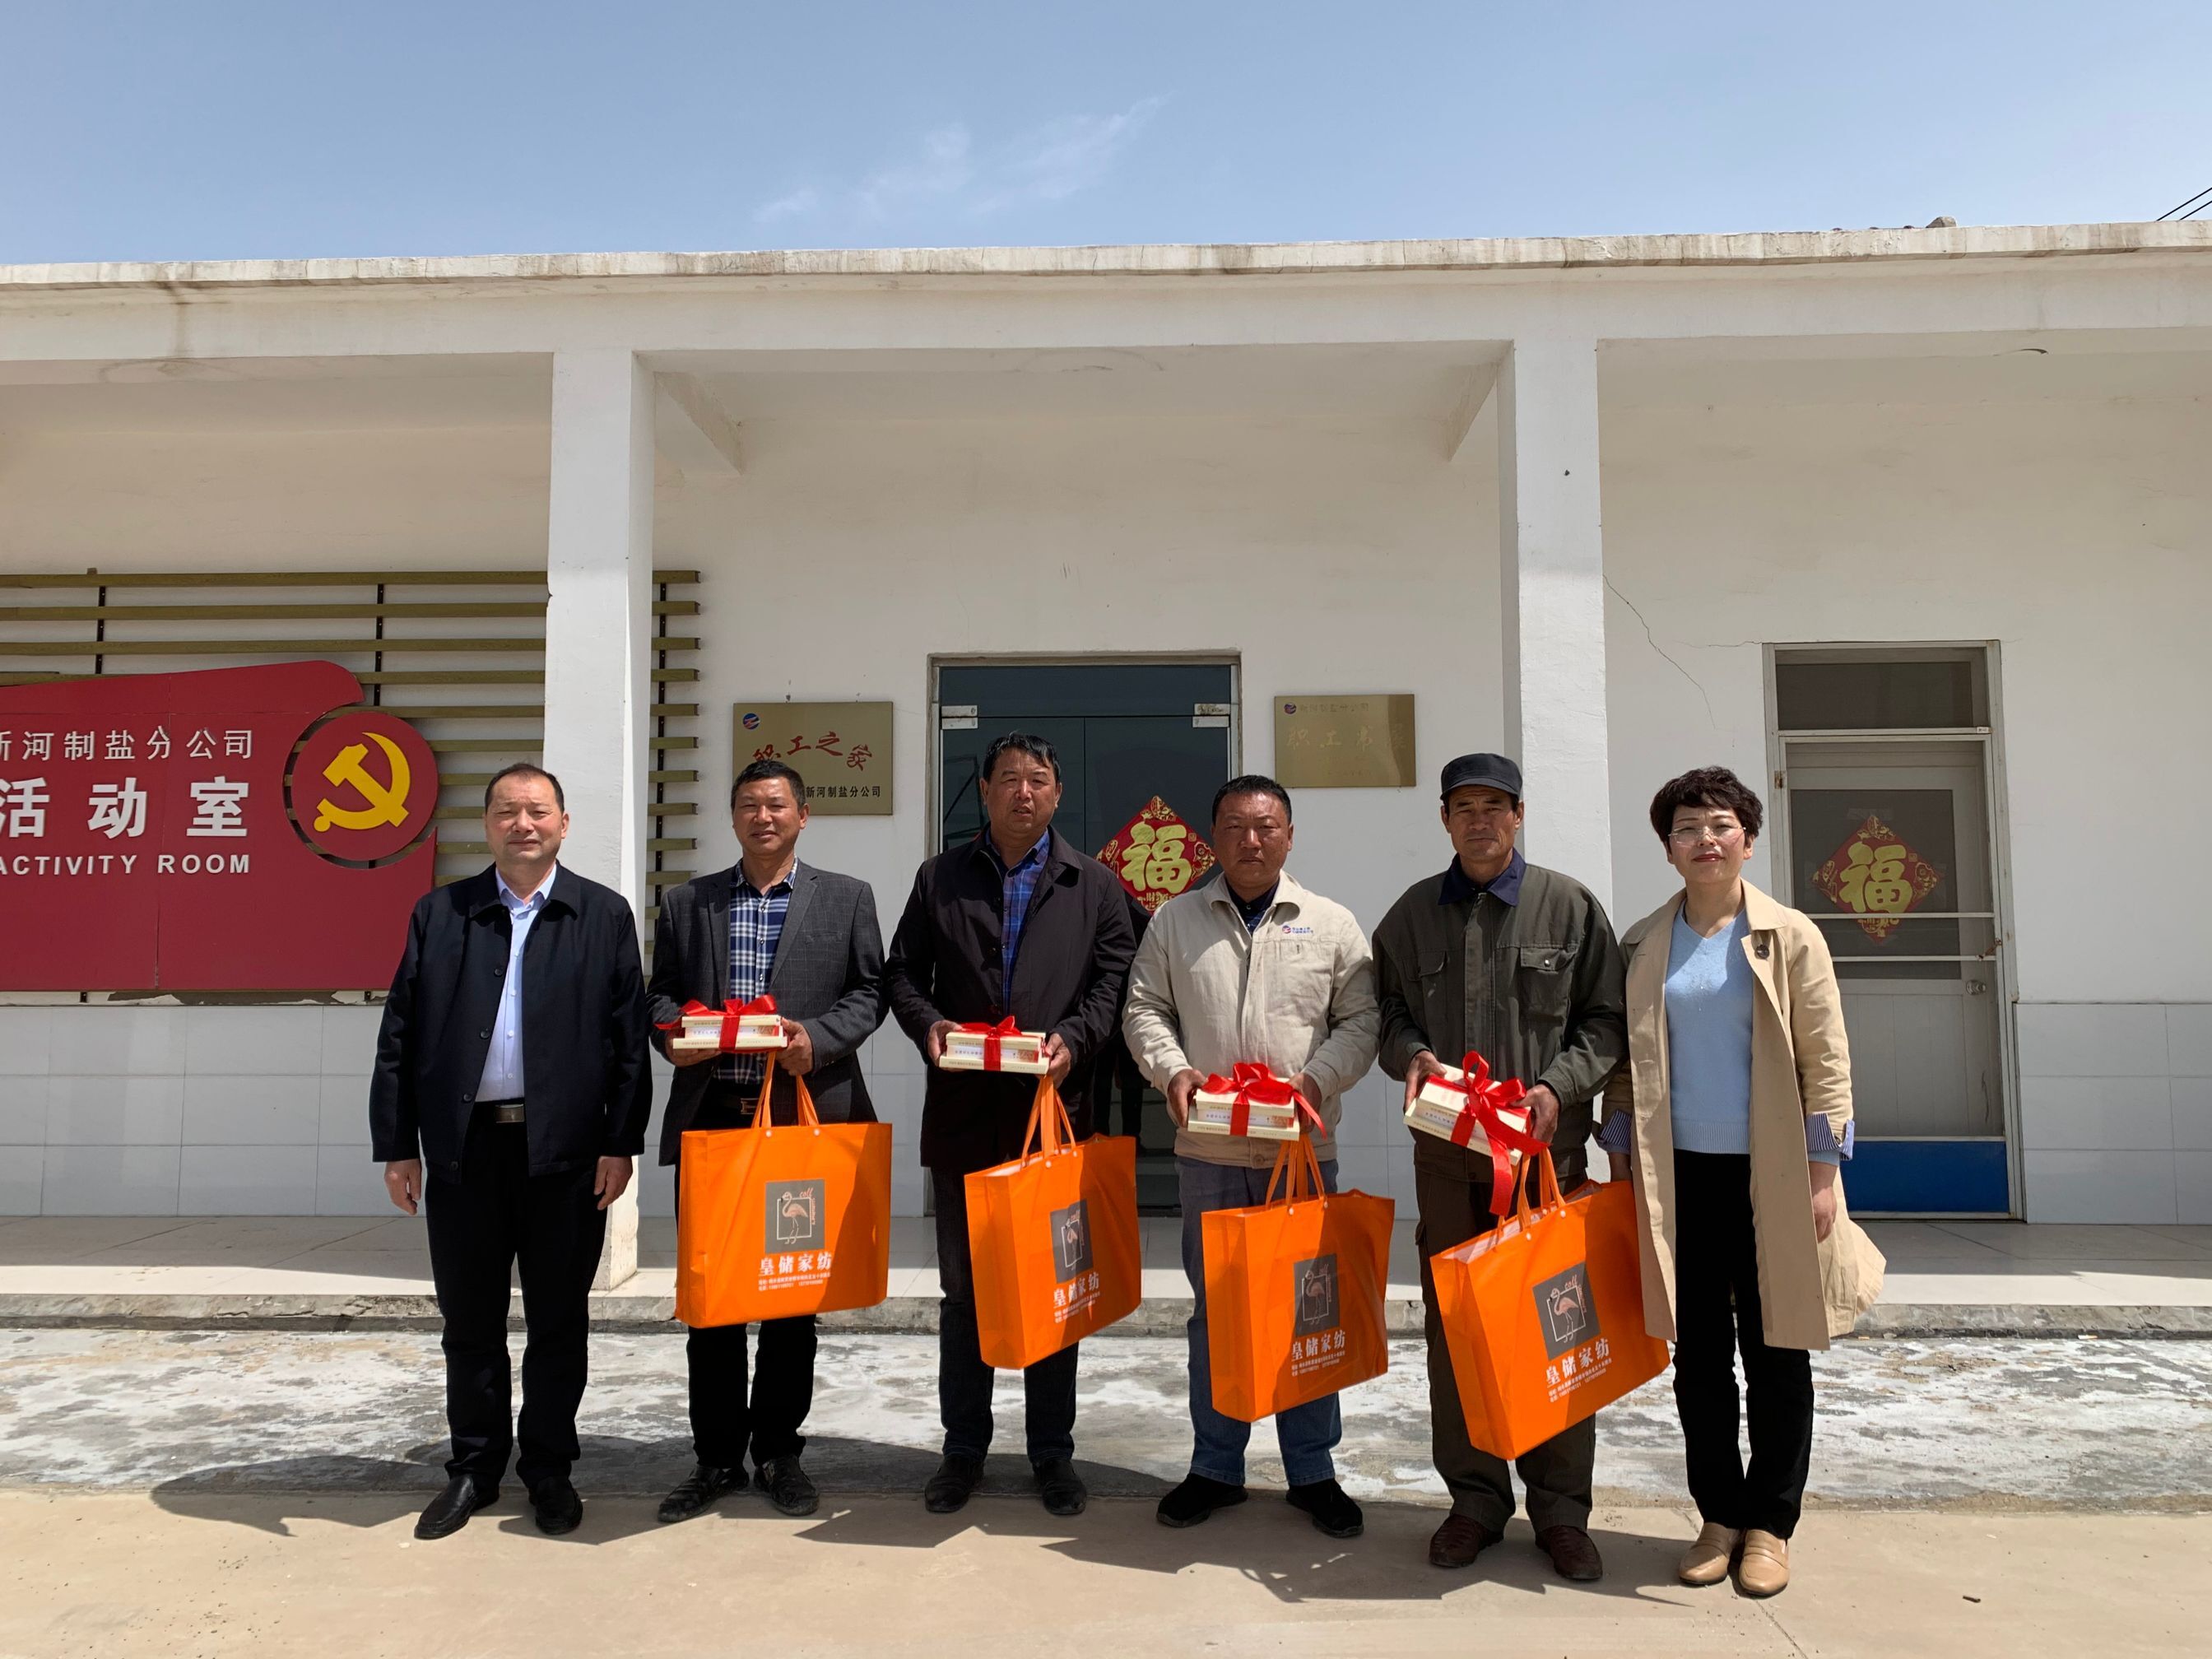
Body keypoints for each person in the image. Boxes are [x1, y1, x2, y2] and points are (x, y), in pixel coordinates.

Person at [1597, 766, 1884, 1598]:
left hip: (1777, 1176)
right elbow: (1625, 1069)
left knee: (1778, 1349)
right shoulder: (1645, 942)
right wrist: (1619, 1160)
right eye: (1688, 828)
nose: (1706, 840)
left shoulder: (1789, 936)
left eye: (1721, 825)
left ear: (1747, 840)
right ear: (1668, 848)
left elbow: (1828, 1062)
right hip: (1679, 1178)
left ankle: (1770, 1526)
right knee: (1698, 1360)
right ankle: (1718, 1517)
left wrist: (1823, 1173)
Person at [369, 762, 652, 1541]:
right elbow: (400, 1034)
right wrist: (399, 1146)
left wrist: (620, 1143)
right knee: (470, 1320)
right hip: (465, 1152)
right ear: (487, 824)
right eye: (506, 811)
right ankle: (474, 1468)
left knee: (558, 1320)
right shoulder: (442, 912)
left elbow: (629, 1042)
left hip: (567, 1154)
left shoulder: (602, 914)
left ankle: (550, 1468)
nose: (522, 824)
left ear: (563, 823)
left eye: (537, 811)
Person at [1372, 752, 1627, 1580]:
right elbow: (1387, 1012)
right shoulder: (1413, 915)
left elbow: (1606, 1021)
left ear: (1519, 815)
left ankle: (1562, 1511)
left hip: (1547, 1166)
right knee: (1459, 1336)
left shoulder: (1568, 907)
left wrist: (1559, 1087)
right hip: (1451, 1167)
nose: (1479, 820)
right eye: (1464, 807)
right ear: (1445, 819)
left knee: (1559, 1331)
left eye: (1494, 806)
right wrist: (1411, 1055)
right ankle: (1475, 1502)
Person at [884, 732, 1137, 1518]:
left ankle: (1051, 1453)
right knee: (965, 1295)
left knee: (1056, 1292)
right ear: (986, 791)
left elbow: (1114, 980)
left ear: (1058, 793)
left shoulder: (1095, 884)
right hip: (964, 1119)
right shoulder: (939, 877)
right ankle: (963, 1449)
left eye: (1038, 780)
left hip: (1056, 1119)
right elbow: (902, 974)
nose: (1023, 793)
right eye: (1008, 780)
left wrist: (1076, 1040)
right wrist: (930, 1027)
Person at [1121, 775, 1379, 1539]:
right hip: (1209, 1153)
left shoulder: (1330, 923)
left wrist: (1317, 1079)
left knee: (1309, 1313)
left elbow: (1361, 1021)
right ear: (1214, 837)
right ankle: (1215, 1466)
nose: (1252, 840)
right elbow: (1144, 1008)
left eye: (1267, 826)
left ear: (1290, 836)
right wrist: (1172, 1071)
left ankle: (1312, 1470)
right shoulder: (1175, 920)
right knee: (1218, 1314)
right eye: (1235, 826)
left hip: (1301, 1154)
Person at [647, 758, 888, 1523]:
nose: (763, 817)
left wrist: (818, 1038)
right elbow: (659, 995)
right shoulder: (688, 902)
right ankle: (716, 1457)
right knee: (713, 1300)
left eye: (777, 805)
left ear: (803, 815)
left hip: (799, 1126)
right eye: (749, 805)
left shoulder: (847, 897)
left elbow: (871, 991)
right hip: (715, 1121)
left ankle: (780, 1451)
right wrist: (674, 1035)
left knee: (792, 1298)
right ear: (733, 817)